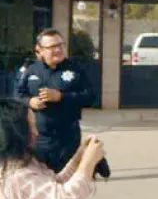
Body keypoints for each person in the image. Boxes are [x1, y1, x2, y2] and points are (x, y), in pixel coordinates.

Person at [15, 29, 106, 178]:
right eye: (52, 47)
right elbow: (18, 95)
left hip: (68, 139)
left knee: (68, 185)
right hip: (39, 140)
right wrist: (30, 101)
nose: (58, 49)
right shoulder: (31, 70)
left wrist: (61, 97)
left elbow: (91, 97)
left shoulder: (75, 69)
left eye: (60, 45)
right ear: (40, 50)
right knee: (41, 185)